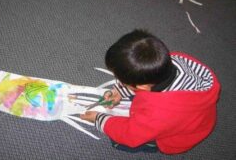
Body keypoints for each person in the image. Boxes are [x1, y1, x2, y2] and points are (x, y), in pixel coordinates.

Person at [80, 29, 220, 154]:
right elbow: (142, 83)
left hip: (178, 137)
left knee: (120, 141)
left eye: (122, 81)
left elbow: (130, 134)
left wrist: (100, 119)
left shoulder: (160, 113)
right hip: (192, 115)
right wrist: (120, 91)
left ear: (142, 87)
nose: (119, 82)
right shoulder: (169, 60)